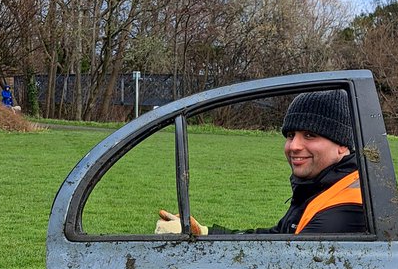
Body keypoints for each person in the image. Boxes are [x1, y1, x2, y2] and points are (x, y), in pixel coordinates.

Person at [156, 89, 366, 236]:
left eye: (310, 135)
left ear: (342, 145)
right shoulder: (323, 187)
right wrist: (203, 233)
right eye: (290, 135)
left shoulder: (344, 210)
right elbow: (275, 238)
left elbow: (280, 267)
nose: (294, 146)